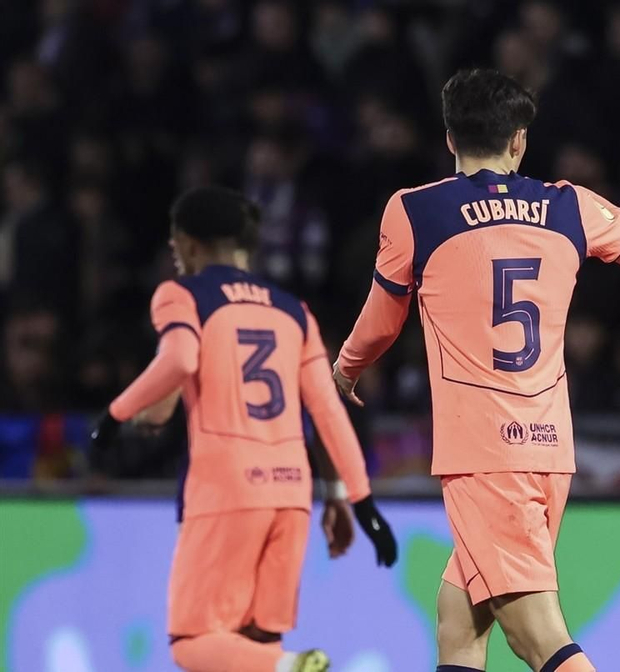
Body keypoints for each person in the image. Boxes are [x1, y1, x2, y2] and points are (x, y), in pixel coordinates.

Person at [331, 68, 620, 672]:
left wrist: (346, 370)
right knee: (458, 620)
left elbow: (380, 323)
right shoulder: (570, 204)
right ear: (519, 140)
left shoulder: (416, 210)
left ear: (449, 137)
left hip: (485, 454)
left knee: (536, 637)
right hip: (549, 447)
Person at [90, 186, 398, 672]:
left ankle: (291, 666)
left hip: (227, 488)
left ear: (189, 244)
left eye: (174, 243)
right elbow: (328, 412)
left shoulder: (183, 295)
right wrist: (356, 502)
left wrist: (114, 416)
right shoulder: (294, 311)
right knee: (257, 644)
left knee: (192, 642)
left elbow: (179, 358)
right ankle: (285, 663)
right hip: (292, 493)